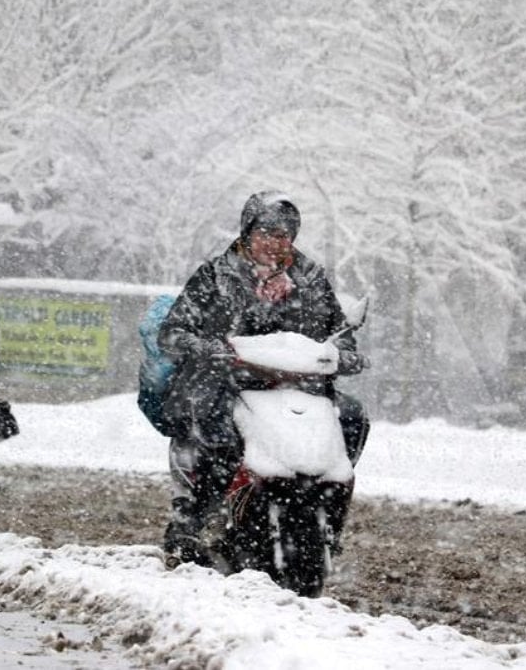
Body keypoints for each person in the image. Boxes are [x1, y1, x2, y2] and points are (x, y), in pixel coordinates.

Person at [158, 190, 370, 564]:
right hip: (229, 381)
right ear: (247, 232)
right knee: (205, 417)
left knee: (353, 417)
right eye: (266, 232)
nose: (275, 243)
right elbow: (173, 331)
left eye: (284, 234)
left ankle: (329, 515)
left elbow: (340, 332)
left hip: (299, 387)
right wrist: (207, 347)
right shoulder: (215, 275)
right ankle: (190, 514)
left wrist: (345, 354)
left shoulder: (311, 277)